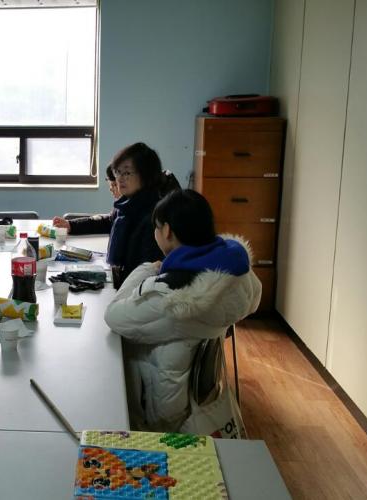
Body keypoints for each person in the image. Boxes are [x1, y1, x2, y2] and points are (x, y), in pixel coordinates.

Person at [104, 189, 261, 432]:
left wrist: (147, 269)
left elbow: (113, 315)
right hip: (195, 397)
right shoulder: (236, 274)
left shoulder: (172, 299)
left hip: (162, 410)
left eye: (156, 227)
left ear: (167, 231)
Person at [52, 142, 180, 288]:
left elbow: (145, 274)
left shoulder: (153, 216)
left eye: (127, 173)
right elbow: (108, 221)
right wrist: (71, 225)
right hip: (119, 280)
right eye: (118, 172)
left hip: (133, 289)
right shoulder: (128, 202)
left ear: (146, 175)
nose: (119, 178)